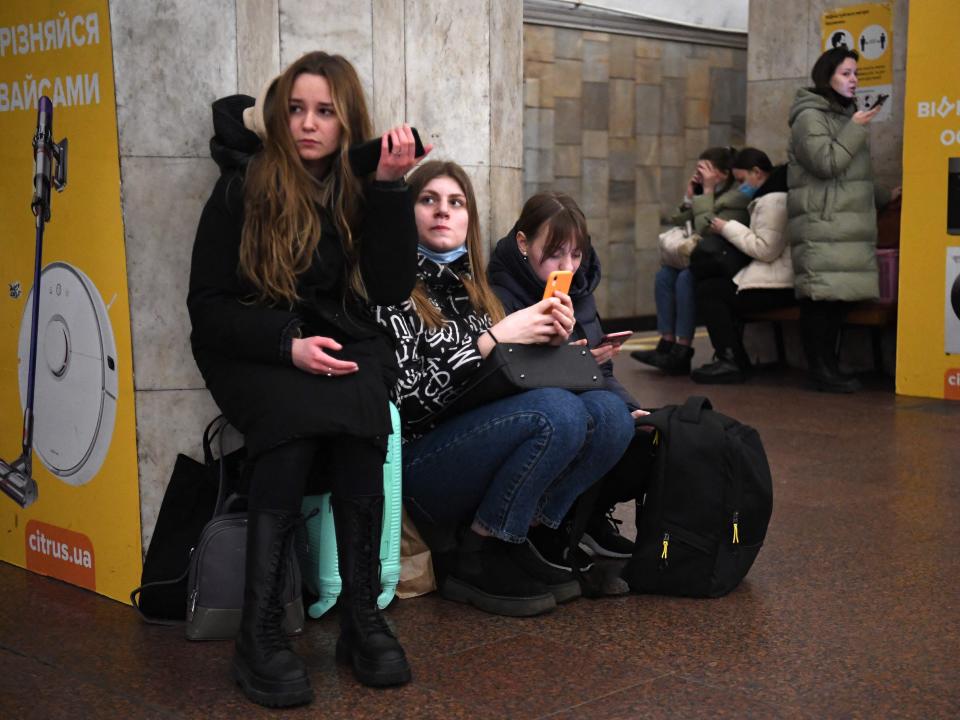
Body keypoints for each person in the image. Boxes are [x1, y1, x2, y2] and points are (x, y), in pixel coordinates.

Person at [188, 51, 429, 707]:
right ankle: (258, 634)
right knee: (292, 429)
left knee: (361, 415)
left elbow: (386, 287)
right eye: (295, 109)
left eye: (324, 111)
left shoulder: (358, 186)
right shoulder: (243, 184)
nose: (307, 124)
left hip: (335, 334)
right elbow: (206, 308)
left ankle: (360, 618)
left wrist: (388, 187)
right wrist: (286, 346)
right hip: (252, 345)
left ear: (346, 118)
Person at [375, 161, 635, 617]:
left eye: (456, 203)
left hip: (476, 441)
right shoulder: (392, 288)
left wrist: (557, 350)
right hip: (419, 464)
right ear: (405, 214)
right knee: (558, 412)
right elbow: (408, 401)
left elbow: (503, 387)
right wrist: (492, 339)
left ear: (469, 219)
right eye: (428, 200)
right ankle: (477, 554)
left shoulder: (476, 289)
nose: (443, 212)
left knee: (610, 416)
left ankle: (527, 537)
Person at [487, 191, 654, 561]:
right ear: (524, 244)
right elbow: (506, 382)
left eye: (576, 254)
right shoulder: (501, 294)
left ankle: (574, 519)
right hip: (531, 414)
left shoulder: (578, 291)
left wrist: (631, 407)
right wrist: (573, 366)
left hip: (577, 401)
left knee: (629, 425)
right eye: (555, 254)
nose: (568, 266)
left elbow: (603, 373)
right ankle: (526, 531)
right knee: (574, 415)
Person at [786, 47, 901, 392]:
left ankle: (829, 367)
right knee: (820, 301)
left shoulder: (841, 115)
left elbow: (851, 175)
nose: (854, 81)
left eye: (856, 74)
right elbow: (825, 163)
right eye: (846, 74)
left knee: (834, 301)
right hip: (822, 225)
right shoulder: (809, 116)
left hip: (840, 225)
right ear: (827, 77)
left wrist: (885, 196)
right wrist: (854, 127)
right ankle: (822, 370)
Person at [631, 146, 750, 375]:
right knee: (665, 276)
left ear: (723, 174)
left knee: (686, 278)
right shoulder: (708, 194)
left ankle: (682, 350)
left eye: (706, 169)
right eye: (699, 168)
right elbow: (680, 219)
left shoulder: (735, 199)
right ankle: (666, 344)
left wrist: (705, 191)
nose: (700, 173)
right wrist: (689, 196)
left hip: (722, 263)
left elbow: (706, 228)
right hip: (702, 259)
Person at [691, 148, 796, 383]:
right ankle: (731, 358)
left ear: (756, 172)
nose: (740, 187)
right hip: (775, 276)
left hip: (779, 283)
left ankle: (731, 360)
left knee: (710, 292)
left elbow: (766, 249)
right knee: (711, 287)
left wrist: (727, 228)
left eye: (741, 180)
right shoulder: (769, 195)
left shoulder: (773, 200)